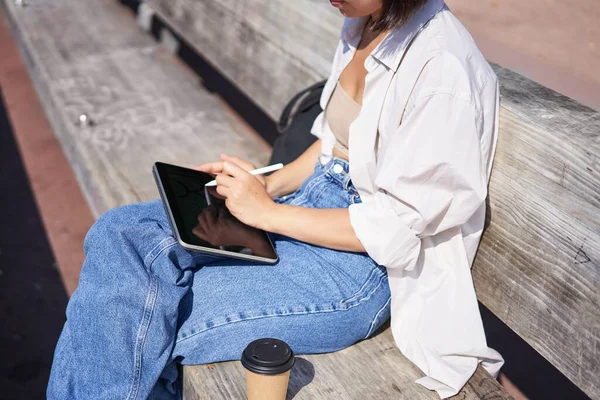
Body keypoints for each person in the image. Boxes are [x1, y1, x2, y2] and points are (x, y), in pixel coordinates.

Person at [47, 0, 504, 398]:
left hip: (354, 270)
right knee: (117, 235)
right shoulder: (369, 20)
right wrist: (266, 185)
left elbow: (395, 233)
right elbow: (333, 145)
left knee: (131, 328)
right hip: (304, 208)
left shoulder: (442, 70)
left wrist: (267, 213)